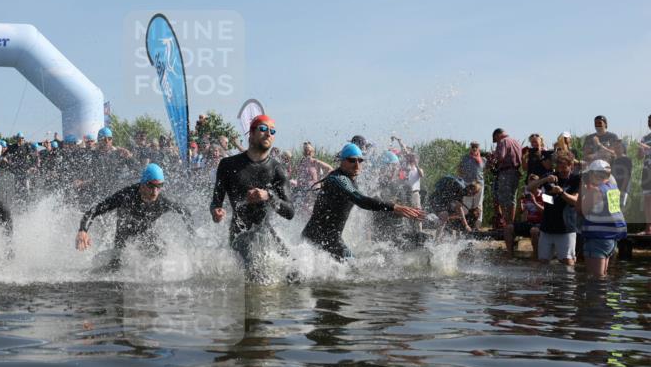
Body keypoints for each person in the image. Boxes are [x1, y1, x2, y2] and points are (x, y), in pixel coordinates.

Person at [301, 142, 424, 260]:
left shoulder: (349, 180)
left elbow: (368, 201)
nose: (357, 164)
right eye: (352, 160)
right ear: (342, 161)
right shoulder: (339, 179)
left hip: (329, 238)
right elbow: (361, 200)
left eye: (360, 160)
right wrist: (394, 207)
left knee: (348, 270)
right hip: (316, 237)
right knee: (353, 269)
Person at [210, 115, 295, 272]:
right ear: (251, 133)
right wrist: (216, 212)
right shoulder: (228, 165)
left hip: (265, 233)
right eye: (263, 129)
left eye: (272, 131)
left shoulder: (277, 169)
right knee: (255, 270)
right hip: (240, 232)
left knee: (295, 272)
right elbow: (216, 202)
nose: (268, 133)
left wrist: (269, 197)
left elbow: (290, 212)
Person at [75, 163, 192, 270]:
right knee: (116, 267)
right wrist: (83, 230)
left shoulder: (162, 202)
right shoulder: (126, 195)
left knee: (161, 253)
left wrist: (192, 235)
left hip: (146, 234)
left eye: (159, 186)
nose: (155, 192)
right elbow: (94, 210)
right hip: (123, 236)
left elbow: (185, 211)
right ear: (142, 184)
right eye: (151, 186)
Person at [527, 151, 580, 266]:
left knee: (567, 261)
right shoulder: (550, 175)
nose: (561, 170)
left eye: (564, 167)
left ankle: (568, 282)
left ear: (571, 165)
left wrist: (561, 193)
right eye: (559, 167)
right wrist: (544, 180)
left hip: (566, 227)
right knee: (543, 261)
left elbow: (575, 200)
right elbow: (530, 188)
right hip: (547, 227)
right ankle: (546, 283)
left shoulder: (576, 179)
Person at [578, 159, 627, 277]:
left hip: (597, 238)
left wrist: (580, 190)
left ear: (594, 174)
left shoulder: (595, 191)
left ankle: (597, 296)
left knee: (596, 278)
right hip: (611, 239)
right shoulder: (613, 188)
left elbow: (580, 210)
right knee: (602, 275)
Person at [488, 128, 522, 229]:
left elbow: (501, 157)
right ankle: (511, 224)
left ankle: (506, 224)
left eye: (495, 140)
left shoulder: (502, 141)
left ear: (497, 135)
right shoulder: (515, 141)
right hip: (516, 172)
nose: (496, 142)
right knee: (512, 199)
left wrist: (492, 160)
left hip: (506, 172)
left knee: (503, 199)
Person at [505, 175, 544, 257]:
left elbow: (546, 212)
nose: (531, 183)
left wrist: (534, 202)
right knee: (508, 228)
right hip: (529, 223)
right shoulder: (527, 196)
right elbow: (520, 212)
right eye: (530, 182)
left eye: (534, 181)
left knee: (534, 231)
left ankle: (536, 255)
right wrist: (520, 202)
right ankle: (510, 255)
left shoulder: (544, 195)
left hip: (540, 223)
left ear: (538, 183)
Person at [458, 142, 486, 229]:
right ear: (470, 147)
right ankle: (464, 226)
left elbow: (484, 171)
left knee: (478, 205)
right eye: (473, 146)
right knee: (466, 205)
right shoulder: (465, 158)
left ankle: (477, 226)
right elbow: (459, 169)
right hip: (467, 184)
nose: (474, 148)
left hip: (479, 185)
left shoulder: (483, 160)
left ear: (478, 148)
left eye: (476, 147)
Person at [639, 114, 651, 235]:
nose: (649, 123)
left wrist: (646, 147)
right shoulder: (644, 138)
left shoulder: (645, 142)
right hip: (647, 172)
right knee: (647, 200)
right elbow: (640, 157)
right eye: (648, 121)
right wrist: (641, 150)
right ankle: (648, 228)